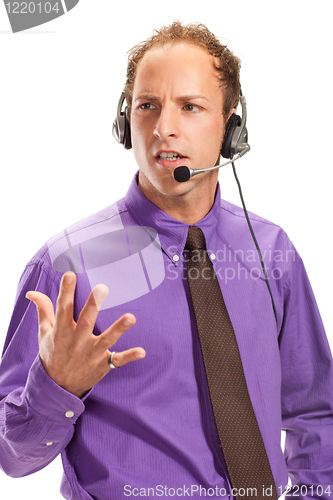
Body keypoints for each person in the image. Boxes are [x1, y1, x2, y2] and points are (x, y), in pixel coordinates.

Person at [0, 21, 332, 500]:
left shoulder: (272, 250)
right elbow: (12, 457)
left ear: (231, 126)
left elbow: (315, 411)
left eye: (190, 107)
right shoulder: (66, 267)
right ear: (125, 122)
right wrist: (55, 387)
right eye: (146, 106)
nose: (163, 128)